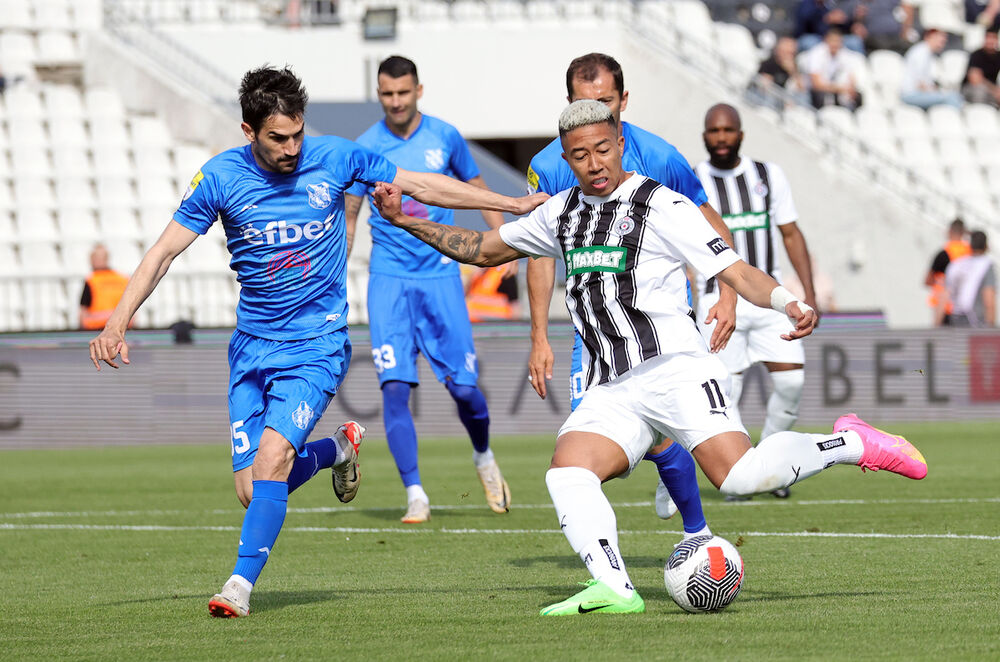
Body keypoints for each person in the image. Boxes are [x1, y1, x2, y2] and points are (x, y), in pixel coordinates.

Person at [370, 99, 928, 616]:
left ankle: (853, 442)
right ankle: (615, 587)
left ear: (619, 142)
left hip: (675, 369)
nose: (594, 163)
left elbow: (735, 271)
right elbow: (483, 250)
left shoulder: (662, 204)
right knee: (567, 473)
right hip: (611, 387)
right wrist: (404, 221)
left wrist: (787, 301)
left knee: (739, 477)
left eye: (603, 149)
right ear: (566, 158)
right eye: (580, 155)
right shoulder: (560, 212)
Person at [88, 65, 546, 618]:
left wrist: (511, 204)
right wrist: (117, 321)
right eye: (277, 138)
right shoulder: (220, 178)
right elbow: (164, 252)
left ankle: (238, 586)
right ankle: (337, 450)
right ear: (248, 130)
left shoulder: (337, 157)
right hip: (252, 347)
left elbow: (421, 184)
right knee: (251, 488)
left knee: (272, 460)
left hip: (317, 345)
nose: (291, 148)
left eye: (298, 134)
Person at [525, 53, 739, 538]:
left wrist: (727, 293)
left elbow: (708, 223)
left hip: (661, 323)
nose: (595, 111)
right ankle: (687, 532)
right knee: (597, 441)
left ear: (623, 99)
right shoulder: (549, 165)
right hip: (595, 330)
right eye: (583, 102)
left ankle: (693, 530)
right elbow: (538, 252)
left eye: (605, 101)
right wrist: (538, 336)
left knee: (676, 445)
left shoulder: (659, 156)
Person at [344, 56, 513, 524]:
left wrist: (505, 241)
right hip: (389, 278)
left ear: (419, 90)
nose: (396, 101)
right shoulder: (365, 147)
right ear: (379, 94)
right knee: (395, 388)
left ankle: (483, 455)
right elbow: (351, 213)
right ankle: (415, 493)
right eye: (387, 94)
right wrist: (337, 266)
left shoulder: (445, 137)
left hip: (440, 275)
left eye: (403, 92)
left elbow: (476, 187)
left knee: (465, 390)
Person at [695, 103, 820, 501]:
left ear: (741, 135)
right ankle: (740, 474)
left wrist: (808, 294)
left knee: (791, 382)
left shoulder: (768, 175)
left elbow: (790, 233)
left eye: (727, 130)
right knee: (725, 393)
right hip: (718, 299)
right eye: (714, 131)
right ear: (705, 136)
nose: (721, 138)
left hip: (769, 298)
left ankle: (770, 465)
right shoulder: (694, 179)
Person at [900, 28, 964, 109]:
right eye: (940, 40)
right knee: (950, 97)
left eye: (943, 41)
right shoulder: (920, 52)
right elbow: (920, 84)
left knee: (953, 96)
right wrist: (936, 93)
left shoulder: (927, 53)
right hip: (911, 94)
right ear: (930, 37)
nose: (942, 44)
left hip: (917, 93)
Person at [802, 28, 865, 109]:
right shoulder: (816, 54)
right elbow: (816, 84)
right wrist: (839, 88)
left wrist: (849, 90)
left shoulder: (844, 54)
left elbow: (851, 79)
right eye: (832, 41)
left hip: (838, 91)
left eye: (837, 41)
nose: (835, 44)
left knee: (857, 96)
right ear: (826, 40)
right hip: (818, 93)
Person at [926, 218, 971, 325]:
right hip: (966, 308)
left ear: (949, 231)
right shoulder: (970, 253)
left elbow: (928, 280)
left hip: (945, 309)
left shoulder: (943, 254)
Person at [946, 230, 996, 326]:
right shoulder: (986, 265)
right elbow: (989, 299)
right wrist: (991, 328)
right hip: (977, 322)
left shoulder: (957, 264)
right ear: (986, 246)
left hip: (956, 319)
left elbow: (945, 294)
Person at [748, 36, 811, 109]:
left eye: (791, 53)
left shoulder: (795, 67)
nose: (788, 56)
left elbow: (802, 89)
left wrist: (793, 72)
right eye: (786, 52)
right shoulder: (769, 63)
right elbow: (764, 87)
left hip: (783, 101)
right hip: (766, 100)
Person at [79, 243, 130, 330]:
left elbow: (83, 312)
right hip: (121, 327)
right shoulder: (123, 279)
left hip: (96, 329)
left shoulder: (92, 280)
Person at [795, 0, 866, 52]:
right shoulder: (807, 4)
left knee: (855, 41)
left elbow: (844, 25)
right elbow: (804, 24)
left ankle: (860, 67)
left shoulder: (833, 4)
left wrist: (854, 21)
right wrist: (826, 18)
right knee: (809, 42)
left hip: (837, 37)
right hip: (816, 37)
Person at [962, 29, 1000, 107]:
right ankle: (977, 112)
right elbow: (975, 79)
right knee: (979, 91)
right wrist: (994, 90)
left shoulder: (998, 56)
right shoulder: (976, 55)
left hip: (991, 90)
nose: (990, 41)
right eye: (988, 37)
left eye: (993, 38)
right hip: (972, 88)